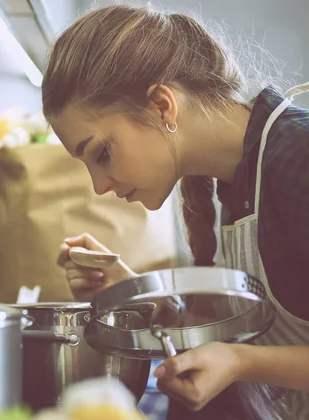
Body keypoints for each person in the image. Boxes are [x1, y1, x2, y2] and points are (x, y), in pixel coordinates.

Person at [41, 4, 309, 420]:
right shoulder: (234, 179)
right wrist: (138, 294)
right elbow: (255, 329)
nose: (99, 186)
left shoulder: (299, 155)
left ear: (163, 106)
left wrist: (241, 363)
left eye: (103, 153)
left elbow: (247, 353)